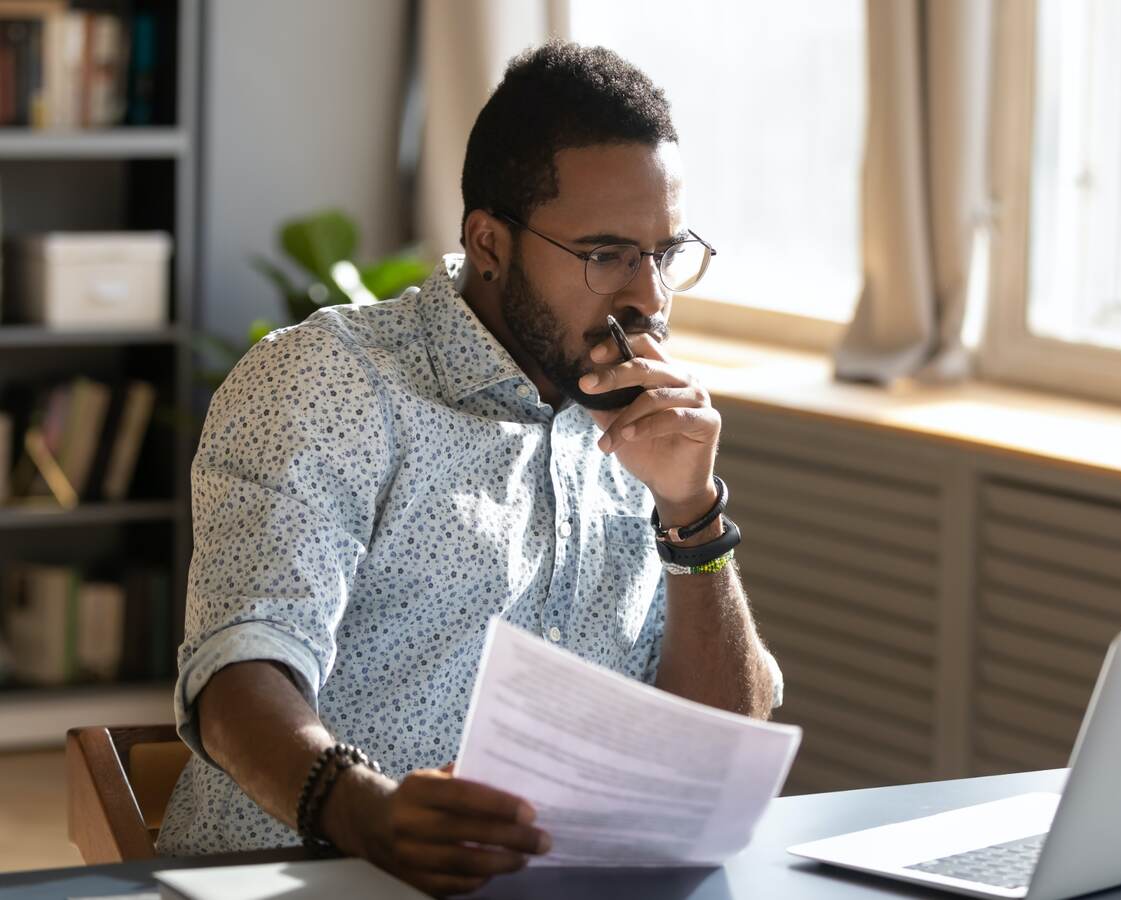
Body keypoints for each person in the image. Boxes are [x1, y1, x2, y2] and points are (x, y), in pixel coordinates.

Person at [157, 41, 782, 897]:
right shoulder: (330, 382)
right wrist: (365, 812)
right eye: (606, 255)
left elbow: (716, 754)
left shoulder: (644, 430)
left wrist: (692, 514)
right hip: (297, 880)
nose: (649, 299)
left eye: (663, 254)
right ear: (489, 242)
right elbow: (239, 672)